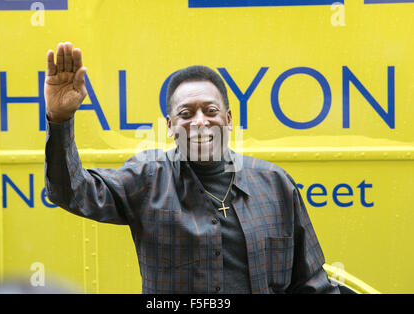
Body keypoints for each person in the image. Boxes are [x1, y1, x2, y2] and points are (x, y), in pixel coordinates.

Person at [44, 42, 339, 294]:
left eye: (210, 111)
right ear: (171, 126)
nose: (199, 122)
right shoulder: (148, 178)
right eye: (186, 114)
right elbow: (71, 191)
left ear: (228, 118)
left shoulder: (275, 184)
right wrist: (59, 120)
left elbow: (312, 283)